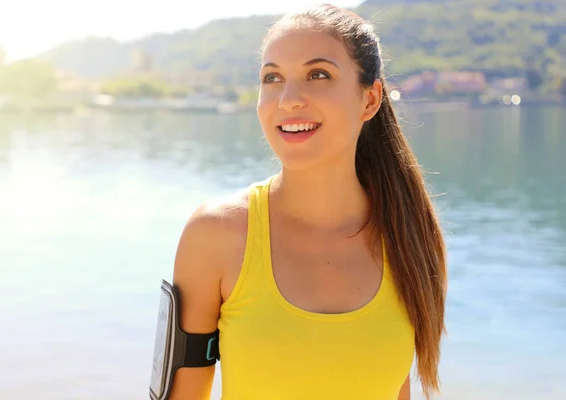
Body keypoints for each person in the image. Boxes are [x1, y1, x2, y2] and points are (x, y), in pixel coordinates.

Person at [169, 3, 447, 399]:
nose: (288, 99)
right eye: (272, 78)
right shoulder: (215, 235)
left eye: (318, 74)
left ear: (370, 100)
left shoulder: (409, 235)